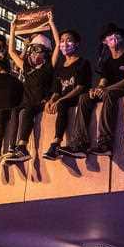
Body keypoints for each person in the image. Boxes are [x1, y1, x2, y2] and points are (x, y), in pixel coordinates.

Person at [58, 23, 124, 158]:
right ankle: (79, 143)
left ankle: (105, 143)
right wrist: (96, 90)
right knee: (85, 97)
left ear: (121, 36)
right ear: (105, 41)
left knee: (109, 94)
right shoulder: (107, 63)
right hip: (109, 90)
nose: (113, 37)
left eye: (116, 34)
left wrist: (106, 89)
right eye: (109, 36)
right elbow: (103, 82)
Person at [2, 15, 60, 163]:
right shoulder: (27, 68)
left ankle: (22, 147)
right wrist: (13, 27)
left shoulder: (48, 67)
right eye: (32, 49)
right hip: (27, 102)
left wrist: (51, 23)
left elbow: (58, 45)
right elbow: (12, 52)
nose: (34, 53)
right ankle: (12, 147)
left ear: (46, 52)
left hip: (40, 102)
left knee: (27, 112)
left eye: (38, 50)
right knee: (15, 110)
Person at [42, 29, 93, 160]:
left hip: (78, 98)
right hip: (64, 100)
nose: (65, 43)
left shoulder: (83, 63)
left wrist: (60, 100)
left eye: (69, 40)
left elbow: (80, 87)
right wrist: (51, 100)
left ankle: (55, 144)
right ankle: (55, 146)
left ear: (76, 44)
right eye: (62, 41)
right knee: (60, 104)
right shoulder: (60, 68)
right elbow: (56, 91)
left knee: (63, 104)